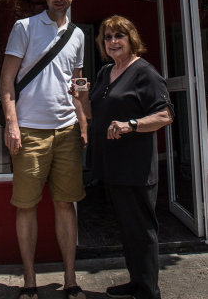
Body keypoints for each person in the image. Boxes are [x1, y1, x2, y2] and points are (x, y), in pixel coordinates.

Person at [70, 15, 174, 299]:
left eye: (119, 36)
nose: (113, 42)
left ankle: (150, 291)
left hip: (136, 167)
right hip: (113, 165)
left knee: (142, 231)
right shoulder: (106, 72)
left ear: (131, 39)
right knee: (128, 230)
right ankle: (136, 282)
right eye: (107, 37)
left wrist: (131, 125)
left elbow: (166, 115)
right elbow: (95, 115)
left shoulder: (145, 72)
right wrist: (80, 98)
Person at [0, 0, 87, 299]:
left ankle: (70, 280)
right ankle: (30, 283)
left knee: (65, 204)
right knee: (27, 206)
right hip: (29, 132)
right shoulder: (25, 27)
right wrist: (12, 124)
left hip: (65, 131)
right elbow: (7, 79)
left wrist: (83, 121)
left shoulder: (77, 35)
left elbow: (76, 83)